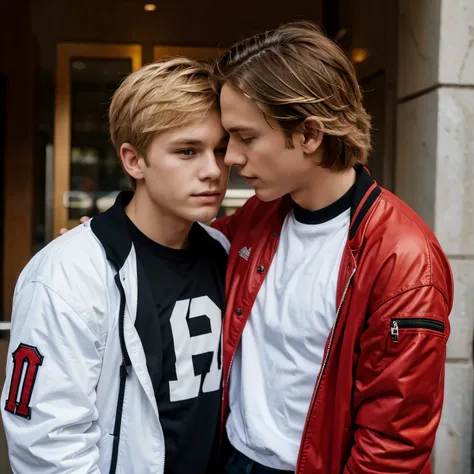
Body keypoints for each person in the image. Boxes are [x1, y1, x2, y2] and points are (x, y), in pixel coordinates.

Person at [211, 21, 454, 474]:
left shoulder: (404, 259)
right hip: (232, 457)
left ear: (309, 134)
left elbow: (392, 445)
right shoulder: (258, 216)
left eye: (246, 137)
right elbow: (183, 246)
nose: (230, 157)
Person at [1, 57, 230, 474]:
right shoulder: (67, 274)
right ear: (133, 161)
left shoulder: (225, 252)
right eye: (187, 151)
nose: (213, 170)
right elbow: (48, 446)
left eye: (220, 149)